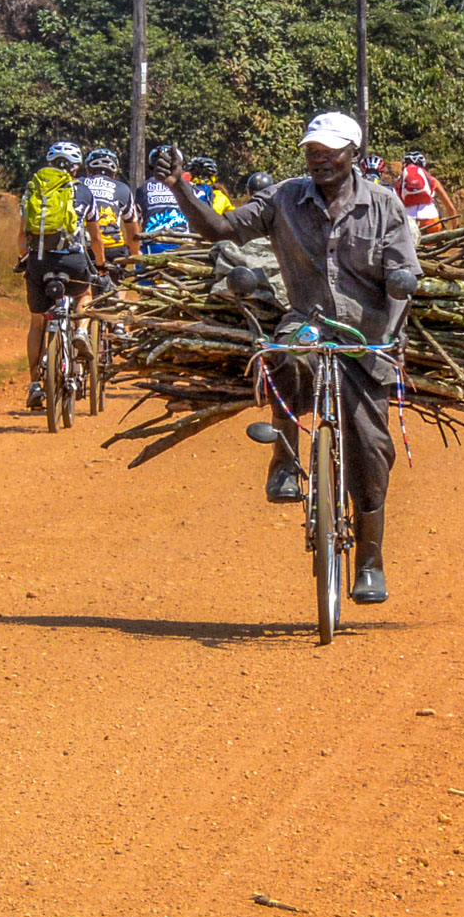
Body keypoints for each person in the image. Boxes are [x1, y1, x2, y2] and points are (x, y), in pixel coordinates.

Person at [159, 111, 421, 604]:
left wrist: (400, 280)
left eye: (330, 152)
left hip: (367, 337)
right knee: (279, 351)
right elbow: (218, 228)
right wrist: (180, 187)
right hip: (308, 319)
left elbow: (404, 267)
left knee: (371, 448)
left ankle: (369, 561)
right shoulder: (283, 198)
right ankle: (284, 453)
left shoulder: (385, 206)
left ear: (353, 155)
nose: (319, 159)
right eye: (312, 151)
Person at [18, 141, 104, 409]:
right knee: (85, 293)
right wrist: (100, 266)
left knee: (36, 323)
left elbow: (22, 236)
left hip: (39, 262)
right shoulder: (84, 192)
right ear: (77, 167)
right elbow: (95, 237)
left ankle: (34, 384)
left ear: (50, 163)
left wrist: (22, 260)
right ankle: (79, 330)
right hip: (74, 261)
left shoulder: (32, 190)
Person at [80, 148, 139, 265]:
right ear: (114, 173)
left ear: (88, 170)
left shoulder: (79, 184)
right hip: (113, 248)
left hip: (84, 247)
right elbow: (132, 228)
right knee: (115, 281)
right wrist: (135, 253)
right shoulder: (123, 189)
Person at [134, 145, 193, 253]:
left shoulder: (143, 188)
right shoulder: (187, 187)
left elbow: (136, 220)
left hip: (151, 245)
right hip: (182, 244)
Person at [397, 151, 459, 235]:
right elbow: (450, 208)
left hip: (410, 223)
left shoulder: (399, 182)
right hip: (431, 221)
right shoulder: (432, 180)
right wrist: (455, 229)